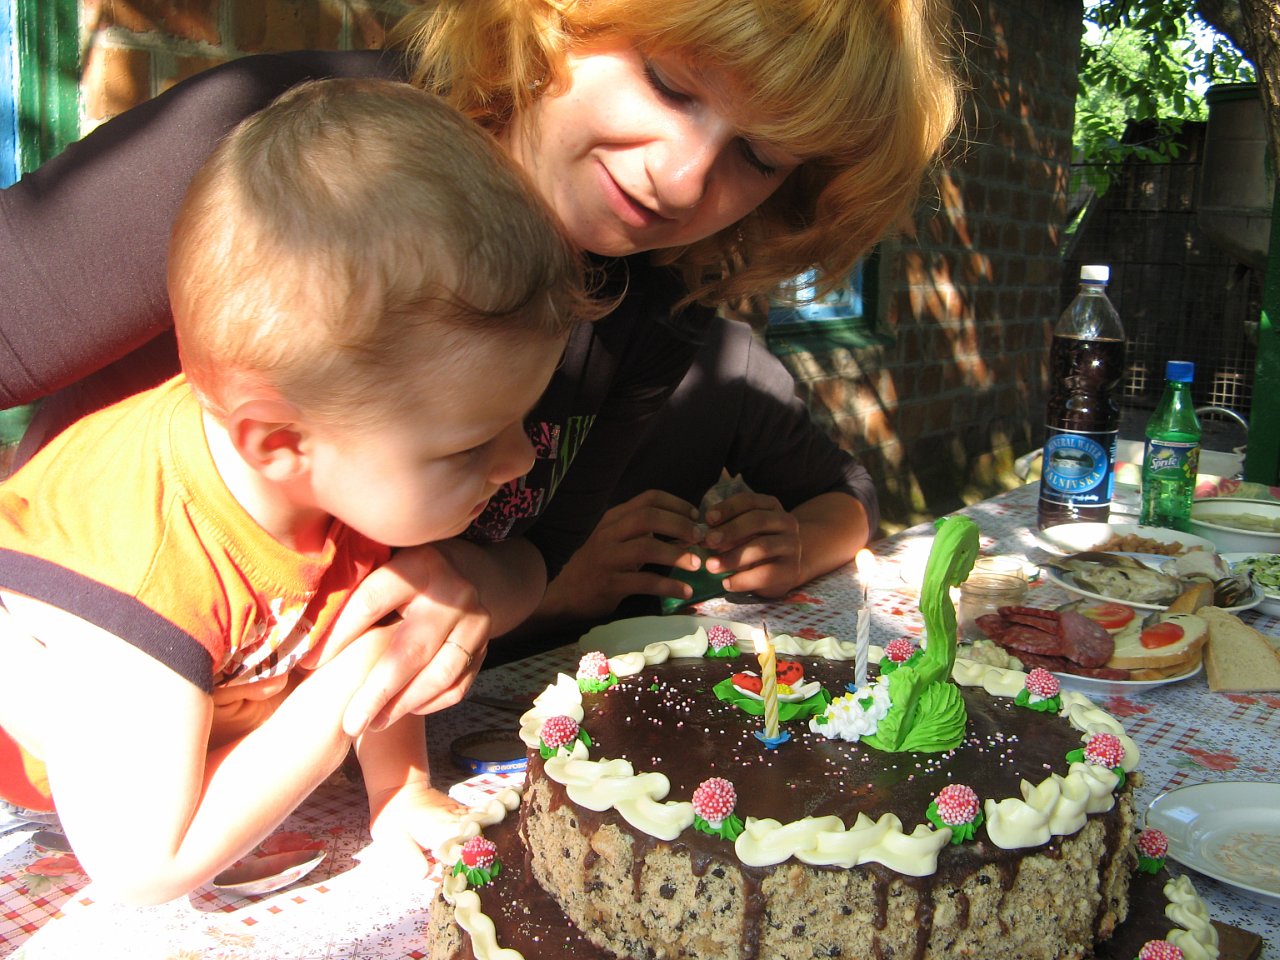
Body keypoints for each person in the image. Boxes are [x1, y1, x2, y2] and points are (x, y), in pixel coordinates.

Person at [0, 0, 962, 736]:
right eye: (671, 84)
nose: (682, 178)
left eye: (758, 155)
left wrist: (470, 584)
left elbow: (542, 555)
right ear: (547, 16)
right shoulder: (276, 148)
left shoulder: (654, 302)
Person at [0, 77, 596, 903]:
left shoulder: (344, 461)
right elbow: (144, 866)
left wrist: (398, 793)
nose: (521, 460)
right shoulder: (147, 552)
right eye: (472, 443)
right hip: (66, 799)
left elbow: (374, 611)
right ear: (280, 445)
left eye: (518, 421)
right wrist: (346, 691)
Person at [526, 317, 878, 634]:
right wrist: (552, 592)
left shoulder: (719, 355)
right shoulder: (504, 335)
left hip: (635, 658)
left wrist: (797, 552)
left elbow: (848, 492)